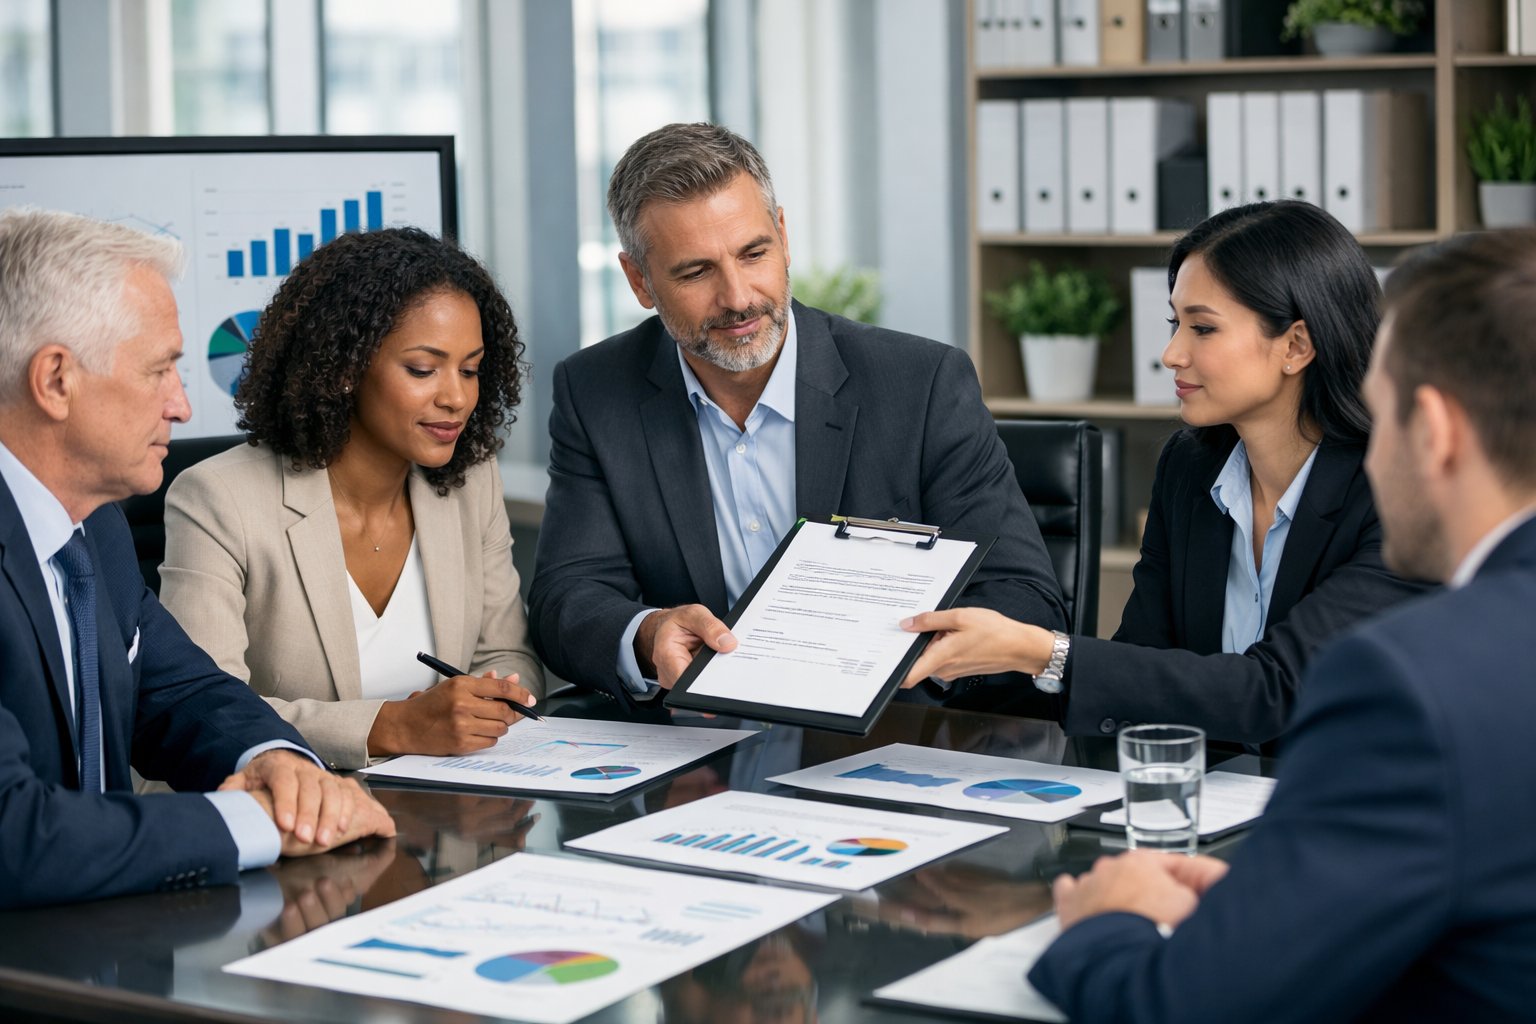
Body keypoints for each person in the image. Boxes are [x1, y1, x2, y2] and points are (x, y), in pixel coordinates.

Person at [1027, 228, 1536, 1022]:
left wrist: (1107, 921)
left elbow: (1177, 1006)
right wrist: (1296, 896)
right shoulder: (1192, 470)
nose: (1369, 448)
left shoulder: (1409, 685)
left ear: (1431, 429)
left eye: (1384, 405)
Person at [528, 121, 1066, 708]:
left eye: (753, 254)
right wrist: (648, 634)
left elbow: (1025, 597)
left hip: (891, 735)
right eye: (696, 272)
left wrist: (899, 656)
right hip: (699, 749)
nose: (737, 297)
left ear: (783, 236)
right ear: (639, 280)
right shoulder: (595, 390)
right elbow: (568, 599)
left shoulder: (922, 384)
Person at [902, 201, 1428, 744]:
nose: (1171, 353)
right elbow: (1143, 665)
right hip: (1207, 800)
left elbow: (1281, 691)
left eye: (1202, 328)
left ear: (1295, 345)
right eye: (1176, 323)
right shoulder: (1191, 467)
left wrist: (1044, 652)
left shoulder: (1397, 493)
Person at [0, 208, 395, 909]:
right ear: (56, 379)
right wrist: (255, 821)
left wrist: (278, 767)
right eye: (160, 370)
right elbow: (14, 834)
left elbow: (181, 693)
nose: (182, 407)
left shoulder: (96, 527)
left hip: (107, 944)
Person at [160, 227, 543, 771]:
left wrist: (487, 705)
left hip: (444, 810)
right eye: (422, 369)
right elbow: (206, 711)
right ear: (343, 367)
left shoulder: (470, 483)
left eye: (471, 369)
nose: (457, 397)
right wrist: (392, 726)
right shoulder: (217, 499)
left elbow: (509, 656)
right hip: (285, 814)